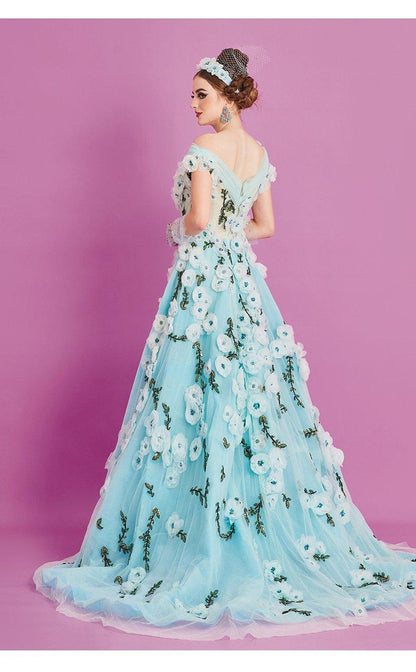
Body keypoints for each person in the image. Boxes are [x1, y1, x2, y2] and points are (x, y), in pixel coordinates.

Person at [33, 47, 416, 641]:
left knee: (188, 392)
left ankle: (195, 538)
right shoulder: (258, 155)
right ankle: (247, 526)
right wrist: (229, 234)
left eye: (201, 95)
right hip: (242, 283)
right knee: (250, 395)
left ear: (229, 97)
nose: (192, 105)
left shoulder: (203, 151)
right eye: (191, 95)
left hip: (202, 283)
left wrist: (178, 225)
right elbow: (265, 226)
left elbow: (196, 222)